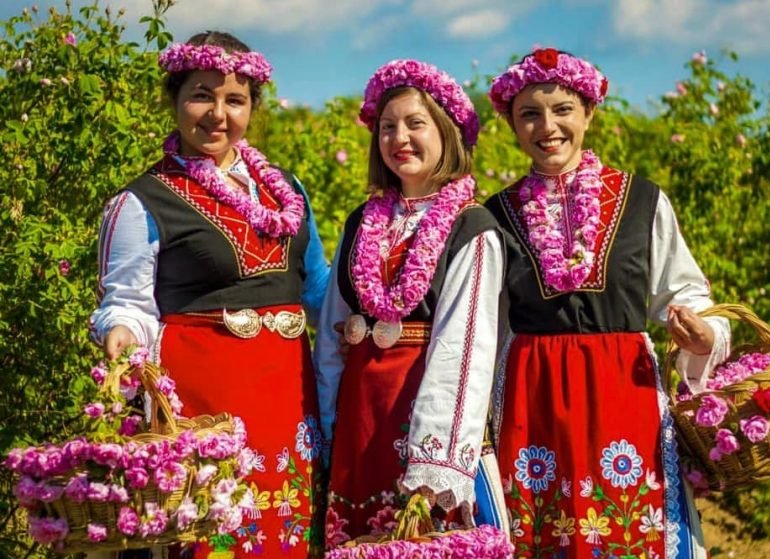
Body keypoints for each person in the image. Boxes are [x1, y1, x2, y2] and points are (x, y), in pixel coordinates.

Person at [89, 31, 329, 559]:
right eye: (201, 94)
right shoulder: (141, 201)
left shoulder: (286, 191)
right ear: (174, 100)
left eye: (235, 100)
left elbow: (319, 291)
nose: (218, 114)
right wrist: (121, 332)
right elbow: (126, 302)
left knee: (284, 534)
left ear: (251, 108)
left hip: (288, 399)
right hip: (203, 403)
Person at [484, 48, 731, 559]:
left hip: (625, 393)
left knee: (631, 533)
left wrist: (704, 334)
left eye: (562, 110)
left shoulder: (644, 200)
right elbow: (484, 324)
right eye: (529, 113)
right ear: (512, 124)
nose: (547, 126)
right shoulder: (494, 215)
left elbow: (683, 292)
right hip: (535, 400)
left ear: (589, 113)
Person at [314, 59, 506, 548]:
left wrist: (435, 459)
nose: (399, 137)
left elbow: (466, 346)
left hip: (421, 411)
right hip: (361, 415)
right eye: (387, 126)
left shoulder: (472, 226)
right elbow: (335, 326)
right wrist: (328, 423)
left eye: (415, 123)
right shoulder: (363, 220)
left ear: (446, 132)